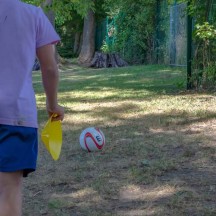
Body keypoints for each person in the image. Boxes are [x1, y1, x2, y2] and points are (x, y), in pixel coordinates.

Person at [0, 0, 64, 215]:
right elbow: (50, 68)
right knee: (8, 190)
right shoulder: (33, 14)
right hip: (16, 115)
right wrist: (52, 105)